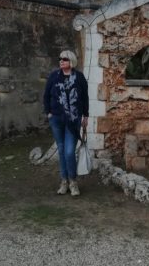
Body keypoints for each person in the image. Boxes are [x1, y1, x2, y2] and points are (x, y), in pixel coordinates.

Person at [43, 50, 89, 196]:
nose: (61, 61)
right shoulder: (54, 76)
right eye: (60, 59)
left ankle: (73, 182)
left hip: (73, 120)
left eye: (65, 59)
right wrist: (48, 113)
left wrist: (85, 116)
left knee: (69, 151)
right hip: (56, 119)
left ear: (71, 61)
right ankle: (64, 182)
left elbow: (85, 97)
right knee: (62, 150)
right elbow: (46, 95)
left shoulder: (79, 77)